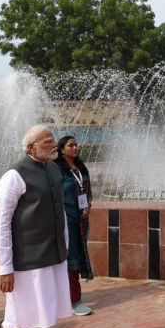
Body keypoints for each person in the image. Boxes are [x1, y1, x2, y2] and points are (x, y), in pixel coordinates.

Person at [0, 125, 72, 328]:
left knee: (38, 307)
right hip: (27, 257)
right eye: (46, 141)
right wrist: (5, 267)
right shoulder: (14, 176)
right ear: (30, 147)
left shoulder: (53, 169)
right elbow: (2, 223)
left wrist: (66, 245)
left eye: (52, 140)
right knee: (31, 311)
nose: (52, 145)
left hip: (53, 251)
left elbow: (60, 211)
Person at [55, 135, 94, 316]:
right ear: (62, 149)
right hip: (65, 220)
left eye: (76, 145)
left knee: (77, 255)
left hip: (82, 219)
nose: (75, 148)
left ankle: (69, 297)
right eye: (71, 145)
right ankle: (73, 300)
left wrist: (88, 207)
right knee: (70, 257)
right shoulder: (56, 169)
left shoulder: (80, 167)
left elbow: (87, 190)